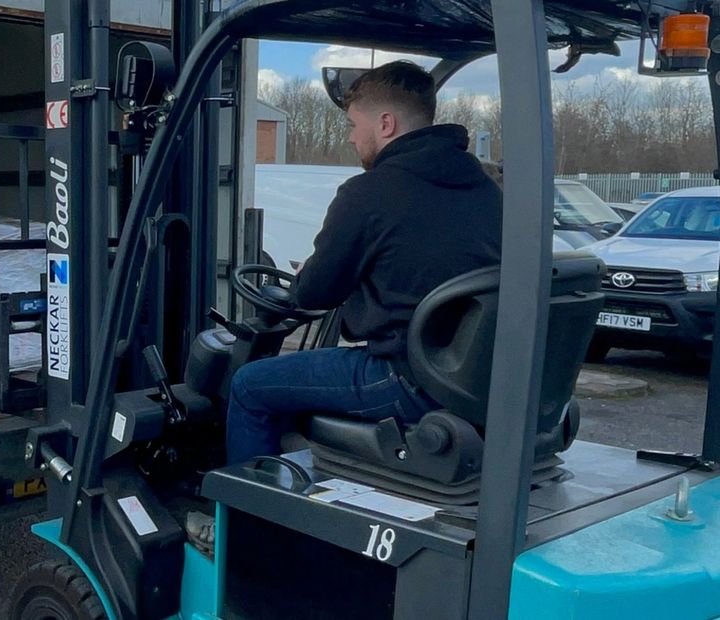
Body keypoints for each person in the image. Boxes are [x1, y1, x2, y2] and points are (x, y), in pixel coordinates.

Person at [187, 60, 502, 553]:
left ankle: (246, 536)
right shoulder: (485, 188)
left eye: (354, 126)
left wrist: (313, 276)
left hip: (405, 377)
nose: (352, 140)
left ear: (386, 125)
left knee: (249, 386)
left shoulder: (370, 193)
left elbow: (313, 292)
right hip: (472, 375)